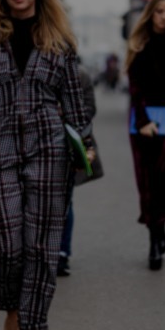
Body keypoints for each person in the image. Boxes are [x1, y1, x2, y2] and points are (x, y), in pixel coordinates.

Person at [0, 0, 93, 330]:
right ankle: (11, 306)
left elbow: (78, 106)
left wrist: (86, 148)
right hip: (1, 149)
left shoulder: (59, 43)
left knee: (42, 249)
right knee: (8, 243)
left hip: (50, 151)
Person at [125, 0, 165, 271]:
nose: (163, 17)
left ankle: (160, 228)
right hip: (145, 115)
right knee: (148, 181)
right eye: (159, 11)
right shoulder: (140, 41)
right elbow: (135, 87)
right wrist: (143, 121)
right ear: (151, 12)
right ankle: (153, 241)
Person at [59, 65, 97, 276]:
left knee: (66, 199)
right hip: (41, 142)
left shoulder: (80, 74)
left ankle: (62, 253)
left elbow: (90, 109)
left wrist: (68, 112)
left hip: (70, 143)